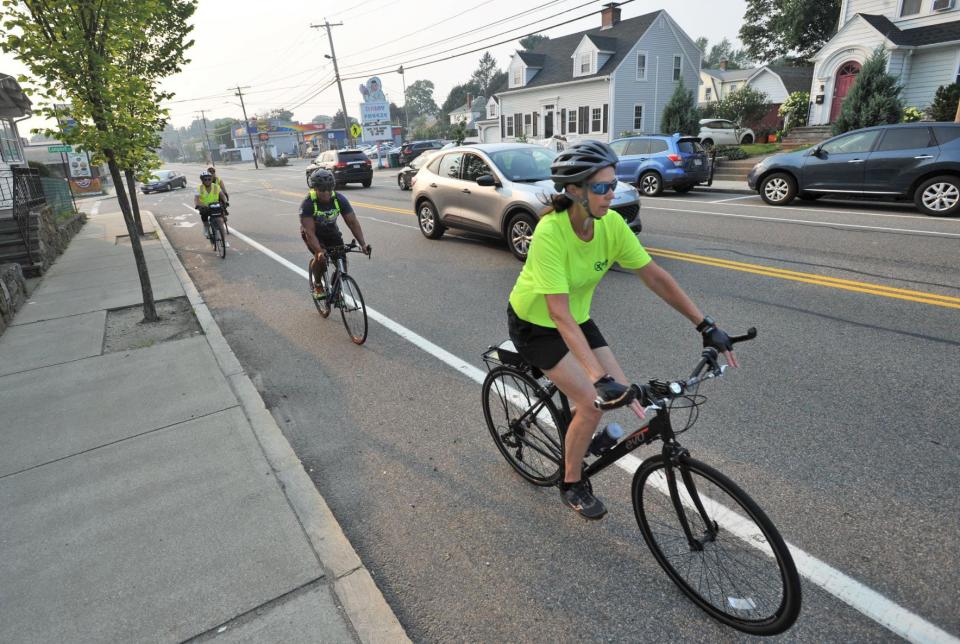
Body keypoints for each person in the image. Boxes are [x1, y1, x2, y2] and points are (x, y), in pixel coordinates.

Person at [506, 140, 738, 520]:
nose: (611, 194)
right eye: (601, 187)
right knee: (592, 401)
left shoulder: (611, 225)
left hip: (576, 318)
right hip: (536, 325)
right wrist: (598, 378)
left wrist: (705, 324)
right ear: (574, 190)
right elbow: (557, 314)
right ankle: (571, 483)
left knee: (625, 391)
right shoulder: (551, 232)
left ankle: (583, 435)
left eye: (613, 185)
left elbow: (655, 277)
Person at [300, 169, 371, 300]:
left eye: (328, 189)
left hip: (331, 233)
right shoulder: (308, 204)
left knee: (342, 263)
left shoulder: (339, 199)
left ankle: (336, 289)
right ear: (315, 189)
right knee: (320, 258)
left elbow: (353, 222)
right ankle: (317, 284)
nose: (326, 193)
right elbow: (309, 232)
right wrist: (319, 251)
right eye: (322, 190)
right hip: (314, 235)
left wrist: (363, 244)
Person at [194, 170, 226, 243]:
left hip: (215, 206)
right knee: (204, 217)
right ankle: (206, 228)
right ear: (202, 180)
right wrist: (198, 205)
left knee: (221, 221)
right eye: (205, 179)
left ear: (211, 179)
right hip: (205, 207)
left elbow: (222, 195)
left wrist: (225, 202)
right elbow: (196, 199)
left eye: (209, 179)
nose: (207, 181)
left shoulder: (215, 186)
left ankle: (223, 241)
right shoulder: (200, 188)